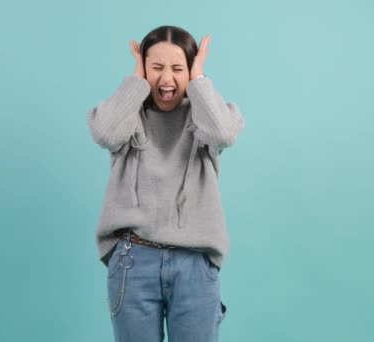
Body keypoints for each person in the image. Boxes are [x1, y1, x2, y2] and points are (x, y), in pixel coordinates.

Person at [87, 25, 245, 342]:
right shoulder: (129, 116)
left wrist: (199, 79)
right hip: (134, 261)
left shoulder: (203, 118)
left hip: (194, 264)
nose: (167, 79)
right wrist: (135, 81)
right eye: (156, 67)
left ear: (190, 70)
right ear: (144, 68)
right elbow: (104, 133)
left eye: (178, 68)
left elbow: (224, 134)